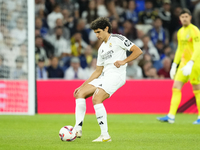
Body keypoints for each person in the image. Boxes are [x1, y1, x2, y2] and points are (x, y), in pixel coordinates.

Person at [73, 17, 143, 142]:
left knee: (97, 98)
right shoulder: (101, 49)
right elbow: (97, 71)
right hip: (105, 76)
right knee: (80, 93)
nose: (97, 35)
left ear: (106, 29)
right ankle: (77, 128)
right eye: (95, 33)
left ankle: (105, 135)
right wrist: (83, 85)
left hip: (117, 75)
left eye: (98, 32)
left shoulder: (117, 39)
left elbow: (138, 51)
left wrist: (123, 61)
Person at [157, 9, 200, 124]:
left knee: (197, 90)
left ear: (190, 17)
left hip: (195, 64)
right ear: (180, 19)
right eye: (182, 17)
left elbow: (197, 48)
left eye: (186, 16)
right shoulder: (180, 32)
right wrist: (174, 65)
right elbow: (180, 49)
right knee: (176, 87)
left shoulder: (195, 30)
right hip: (183, 64)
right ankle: (171, 116)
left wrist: (191, 63)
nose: (184, 18)